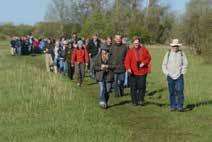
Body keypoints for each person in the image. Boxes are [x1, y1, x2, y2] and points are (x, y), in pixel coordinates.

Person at [162, 39, 188, 112]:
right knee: (172, 92)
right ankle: (173, 106)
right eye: (174, 46)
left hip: (179, 76)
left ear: (178, 46)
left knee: (180, 91)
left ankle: (180, 106)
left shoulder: (182, 53)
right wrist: (166, 72)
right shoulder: (168, 53)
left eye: (176, 46)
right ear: (171, 46)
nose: (175, 47)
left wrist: (182, 72)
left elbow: (185, 63)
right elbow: (164, 64)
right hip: (170, 76)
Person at [125, 37, 151, 106]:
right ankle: (134, 101)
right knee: (133, 87)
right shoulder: (130, 51)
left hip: (142, 72)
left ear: (139, 43)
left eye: (137, 43)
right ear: (133, 43)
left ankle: (141, 100)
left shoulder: (144, 49)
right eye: (135, 43)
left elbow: (149, 58)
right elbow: (127, 61)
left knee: (141, 86)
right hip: (133, 72)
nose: (136, 44)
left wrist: (144, 63)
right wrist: (128, 68)